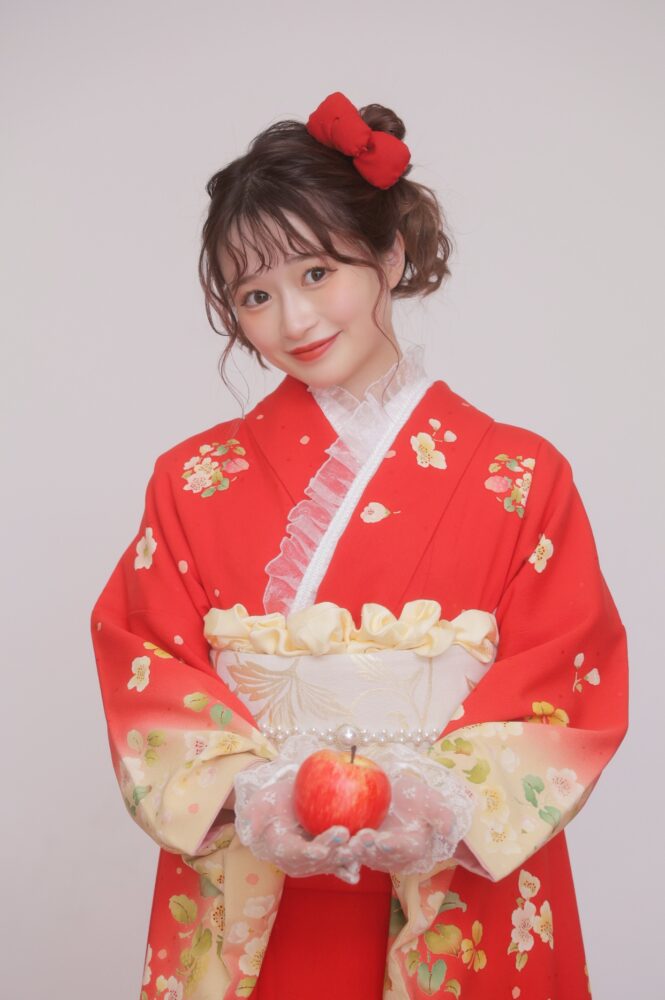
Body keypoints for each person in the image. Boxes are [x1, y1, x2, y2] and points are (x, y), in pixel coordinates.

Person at [90, 91, 628, 1000]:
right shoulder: (189, 480)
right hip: (262, 861)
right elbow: (143, 659)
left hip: (455, 870)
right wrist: (252, 793)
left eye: (316, 272)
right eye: (255, 295)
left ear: (390, 254)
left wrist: (446, 799)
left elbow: (566, 664)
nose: (293, 321)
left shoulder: (521, 473)